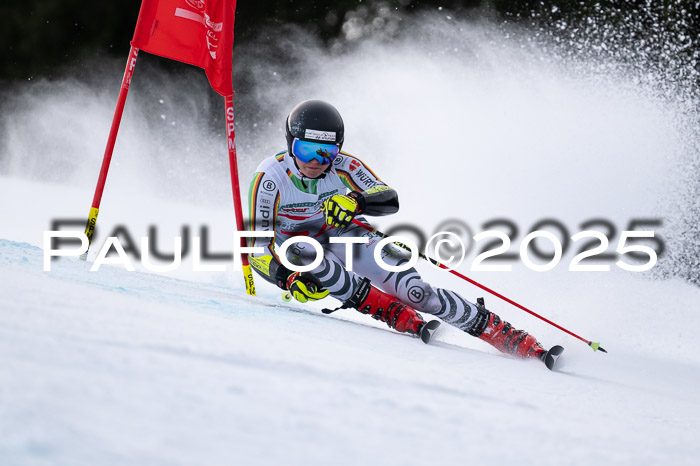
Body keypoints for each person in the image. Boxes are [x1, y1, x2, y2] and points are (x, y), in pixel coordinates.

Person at [248, 99, 549, 361]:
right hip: (296, 246)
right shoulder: (271, 178)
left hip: (343, 234)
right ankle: (388, 310)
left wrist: (356, 200)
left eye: (326, 152)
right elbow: (257, 249)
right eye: (306, 149)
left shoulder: (345, 166)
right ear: (290, 144)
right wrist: (287, 279)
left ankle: (504, 334)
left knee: (417, 293)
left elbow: (389, 199)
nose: (315, 161)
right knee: (311, 258)